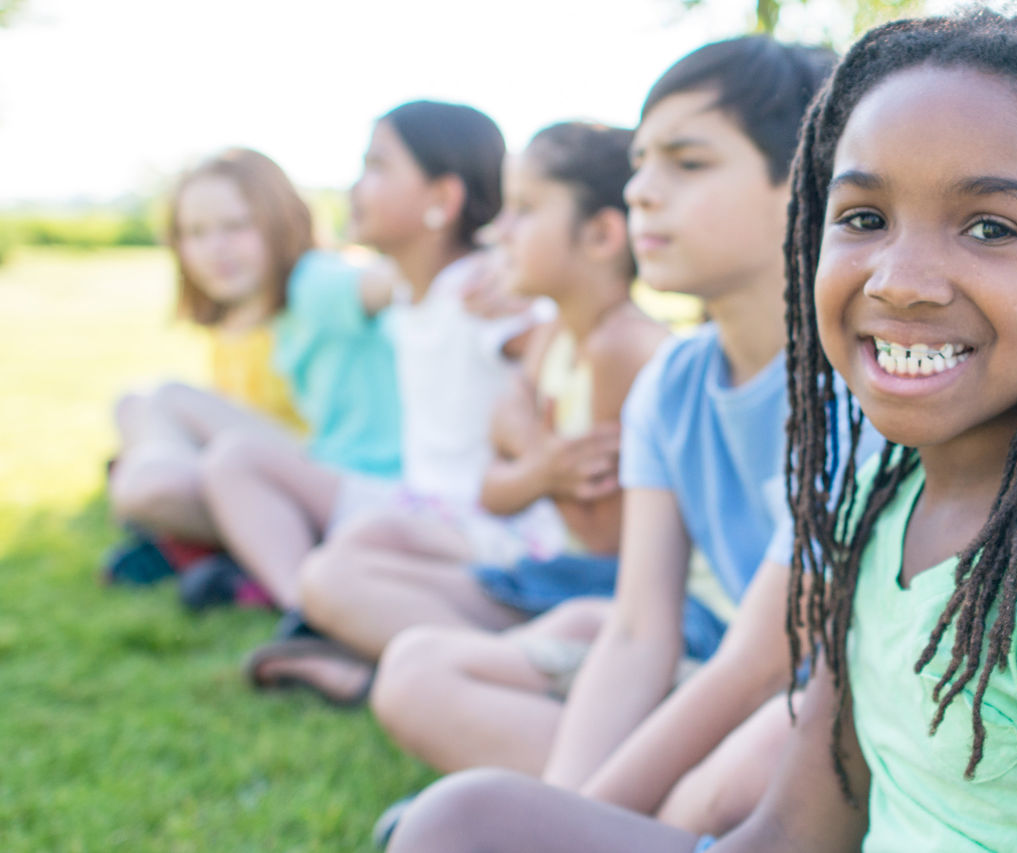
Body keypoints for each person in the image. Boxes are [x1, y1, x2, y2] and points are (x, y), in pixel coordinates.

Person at [384, 11, 1017, 852]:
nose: (900, 278)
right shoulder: (876, 489)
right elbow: (790, 832)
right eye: (864, 218)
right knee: (463, 818)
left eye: (990, 226)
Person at [367, 37, 885, 845]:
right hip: (718, 675)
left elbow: (766, 658)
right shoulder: (673, 383)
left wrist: (562, 827)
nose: (642, 190)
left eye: (687, 162)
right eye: (641, 161)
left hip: (823, 701)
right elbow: (641, 626)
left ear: (804, 182)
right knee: (431, 673)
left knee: (735, 783)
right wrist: (561, 814)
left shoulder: (859, 387)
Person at [244, 121, 669, 707]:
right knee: (350, 557)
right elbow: (501, 484)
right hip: (522, 547)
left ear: (601, 234)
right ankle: (440, 660)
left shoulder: (583, 336)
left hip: (562, 571)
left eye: (523, 210)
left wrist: (529, 459)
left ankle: (454, 668)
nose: (500, 231)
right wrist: (537, 467)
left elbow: (600, 536)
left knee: (337, 576)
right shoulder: (550, 338)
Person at [200, 101, 552, 619]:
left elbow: (557, 349)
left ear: (442, 198)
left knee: (364, 544)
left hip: (481, 529)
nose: (355, 187)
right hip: (416, 506)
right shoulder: (412, 295)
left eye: (377, 167)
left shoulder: (481, 293)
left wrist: (535, 290)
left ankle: (323, 612)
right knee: (236, 460)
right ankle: (308, 611)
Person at [105, 148, 402, 592]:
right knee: (133, 405)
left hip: (327, 476)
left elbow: (382, 283)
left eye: (236, 226)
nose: (215, 248)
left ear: (281, 221)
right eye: (195, 233)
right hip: (264, 471)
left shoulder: (315, 286)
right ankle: (206, 542)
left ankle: (201, 545)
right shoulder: (233, 321)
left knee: (158, 444)